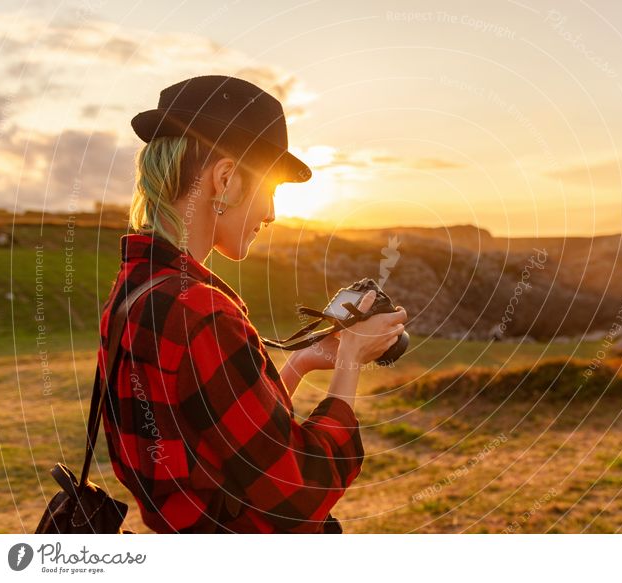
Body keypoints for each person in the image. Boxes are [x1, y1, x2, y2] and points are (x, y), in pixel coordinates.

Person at [97, 75, 407, 533]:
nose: (272, 214)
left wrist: (298, 364)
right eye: (272, 189)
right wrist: (351, 361)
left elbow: (223, 439)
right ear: (226, 180)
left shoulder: (135, 288)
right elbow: (300, 492)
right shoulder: (200, 313)